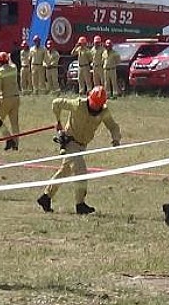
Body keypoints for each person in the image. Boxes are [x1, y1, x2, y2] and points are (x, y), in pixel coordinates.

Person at [37, 86, 121, 215]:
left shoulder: (104, 112)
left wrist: (116, 139)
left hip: (82, 146)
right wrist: (58, 121)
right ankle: (80, 204)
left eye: (99, 105)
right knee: (81, 171)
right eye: (94, 103)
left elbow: (113, 126)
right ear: (89, 97)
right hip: (70, 143)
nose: (95, 107)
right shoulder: (78, 104)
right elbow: (56, 103)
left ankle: (46, 197)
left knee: (64, 172)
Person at [0, 51, 20, 151]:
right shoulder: (14, 68)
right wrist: (9, 56)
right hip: (16, 98)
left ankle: (8, 138)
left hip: (5, 99)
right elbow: (12, 63)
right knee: (14, 123)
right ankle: (16, 144)